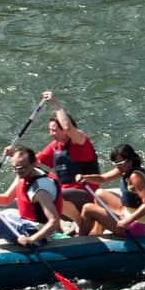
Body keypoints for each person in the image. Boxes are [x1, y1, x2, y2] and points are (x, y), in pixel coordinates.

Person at [25, 91, 98, 223]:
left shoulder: (80, 141)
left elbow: (68, 127)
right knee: (39, 193)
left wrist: (55, 103)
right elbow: (34, 161)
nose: (50, 133)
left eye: (54, 130)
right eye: (50, 130)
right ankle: (57, 227)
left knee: (55, 196)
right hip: (64, 197)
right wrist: (14, 154)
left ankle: (80, 223)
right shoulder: (55, 146)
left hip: (85, 196)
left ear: (64, 130)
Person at [76, 144, 145, 238]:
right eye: (115, 164)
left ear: (130, 160)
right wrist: (84, 177)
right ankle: (97, 230)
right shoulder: (125, 169)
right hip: (126, 212)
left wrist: (128, 221)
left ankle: (81, 240)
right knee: (99, 193)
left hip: (135, 226)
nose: (117, 167)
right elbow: (102, 178)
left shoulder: (136, 177)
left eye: (120, 164)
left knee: (87, 208)